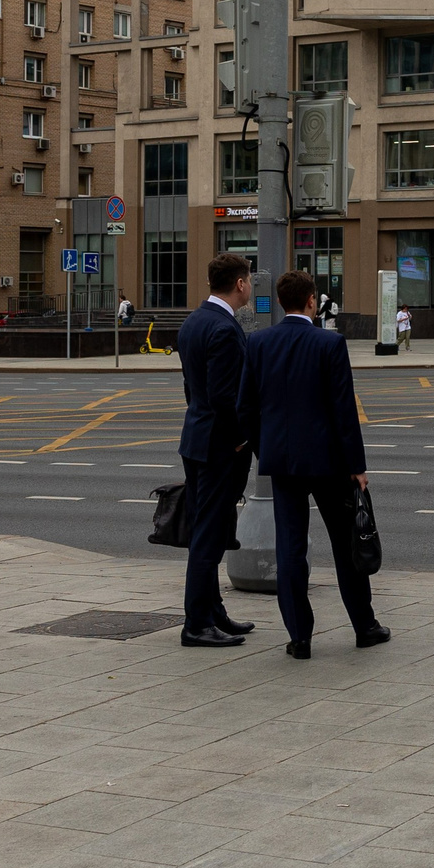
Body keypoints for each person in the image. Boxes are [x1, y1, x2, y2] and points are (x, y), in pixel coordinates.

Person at [248, 271, 386, 659]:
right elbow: (344, 411)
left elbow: (246, 407)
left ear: (280, 302)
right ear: (312, 301)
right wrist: (356, 466)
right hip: (329, 462)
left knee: (290, 550)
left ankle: (300, 637)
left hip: (283, 463)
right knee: (345, 544)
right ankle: (365, 626)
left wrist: (265, 450)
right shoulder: (330, 343)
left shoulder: (258, 342)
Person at [174, 253, 258, 649]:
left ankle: (214, 612)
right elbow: (227, 396)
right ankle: (196, 624)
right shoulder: (224, 328)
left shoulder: (193, 321)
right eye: (249, 280)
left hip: (196, 438)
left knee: (207, 529)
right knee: (208, 536)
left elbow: (193, 388)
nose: (250, 286)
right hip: (219, 446)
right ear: (240, 284)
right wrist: (242, 438)